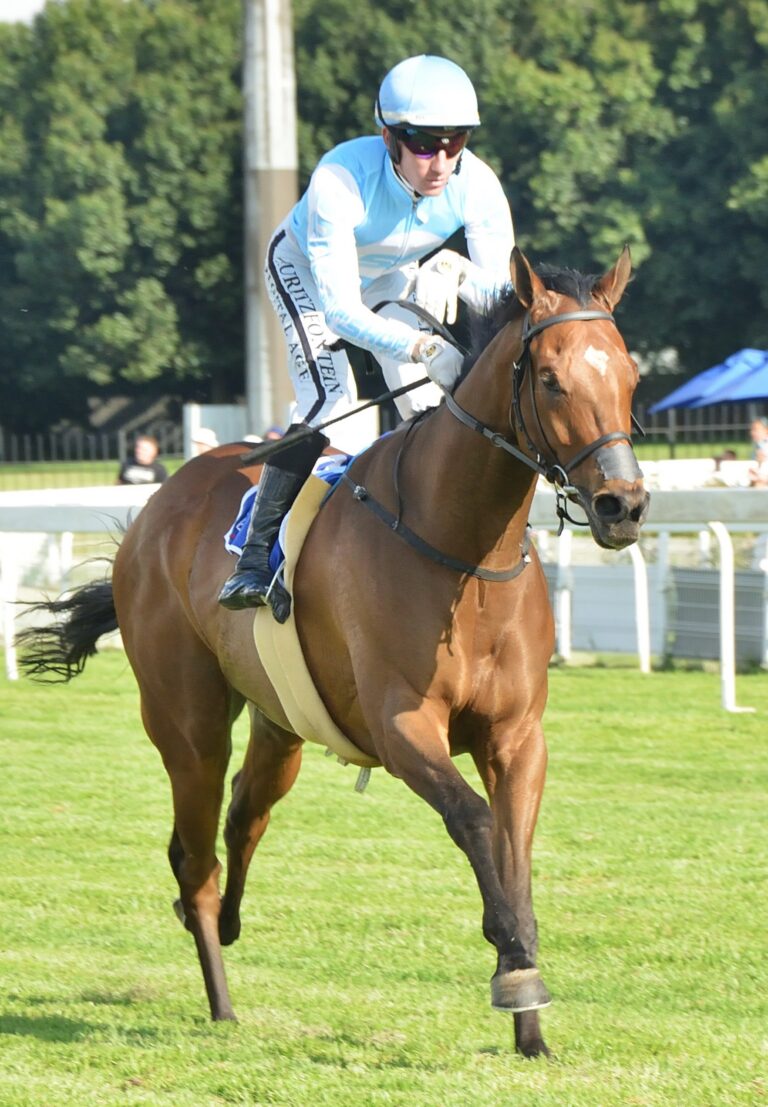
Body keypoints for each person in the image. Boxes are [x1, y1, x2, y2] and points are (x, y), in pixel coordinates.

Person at [219, 54, 515, 618]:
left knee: (431, 401)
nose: (442, 162)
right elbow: (340, 313)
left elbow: (502, 299)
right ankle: (253, 558)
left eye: (456, 142)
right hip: (306, 273)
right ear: (389, 137)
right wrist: (422, 345)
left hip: (387, 277)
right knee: (332, 399)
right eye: (425, 144)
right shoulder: (340, 177)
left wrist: (456, 270)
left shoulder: (477, 184)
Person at [748, 418, 768, 487]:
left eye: (755, 429)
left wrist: (762, 478)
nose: (752, 432)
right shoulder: (758, 446)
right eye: (752, 430)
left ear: (766, 430)